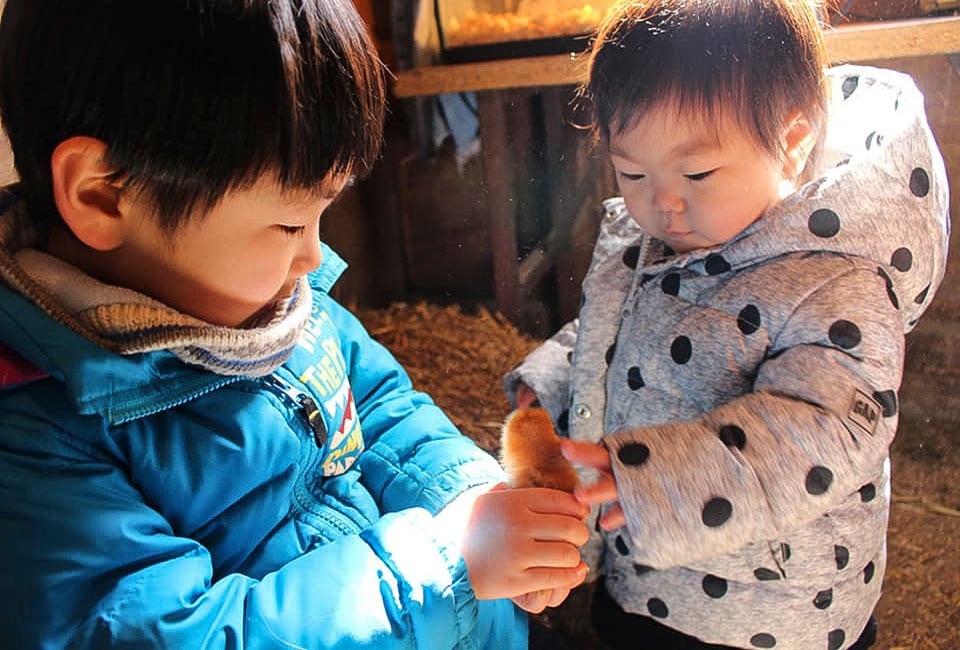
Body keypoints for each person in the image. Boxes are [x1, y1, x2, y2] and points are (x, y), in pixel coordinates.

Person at [0, 1, 591, 648]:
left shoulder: (269, 303)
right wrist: (453, 563)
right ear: (103, 194)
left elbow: (383, 407)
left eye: (322, 215)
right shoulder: (38, 437)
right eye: (287, 224)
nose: (313, 257)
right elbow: (173, 634)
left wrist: (474, 500)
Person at [504, 1, 950, 649]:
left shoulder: (832, 279)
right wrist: (546, 384)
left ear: (792, 144)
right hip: (644, 575)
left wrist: (665, 484)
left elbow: (823, 431)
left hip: (766, 612)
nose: (663, 201)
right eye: (632, 172)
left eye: (698, 172)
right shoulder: (660, 240)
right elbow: (613, 329)